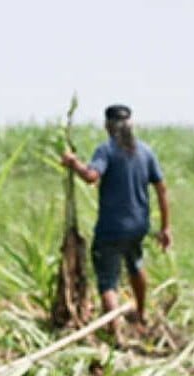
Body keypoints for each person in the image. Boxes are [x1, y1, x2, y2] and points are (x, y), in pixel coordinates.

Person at [61, 104, 170, 336]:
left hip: (111, 229)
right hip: (138, 227)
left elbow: (91, 176)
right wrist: (166, 227)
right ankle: (141, 315)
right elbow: (161, 189)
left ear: (108, 126)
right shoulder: (145, 152)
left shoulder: (107, 150)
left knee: (108, 281)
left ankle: (115, 331)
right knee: (135, 265)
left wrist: (73, 163)